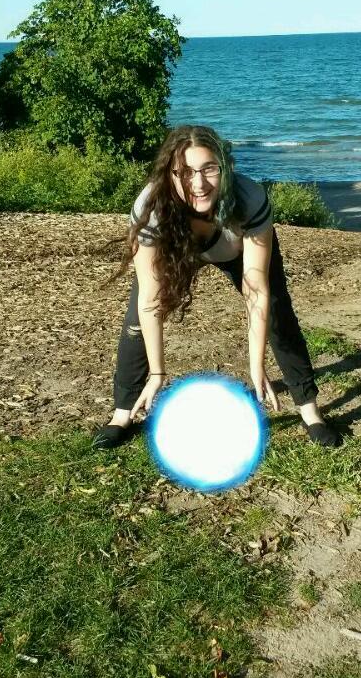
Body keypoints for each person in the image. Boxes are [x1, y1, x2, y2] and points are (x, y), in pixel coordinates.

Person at [92, 125, 340, 448]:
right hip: (179, 250)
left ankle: (309, 409)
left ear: (225, 167)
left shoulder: (249, 199)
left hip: (236, 252)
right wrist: (157, 373)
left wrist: (256, 365)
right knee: (136, 320)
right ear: (170, 174)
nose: (199, 183)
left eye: (209, 169)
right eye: (185, 172)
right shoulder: (151, 208)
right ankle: (122, 413)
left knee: (277, 312)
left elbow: (256, 291)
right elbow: (150, 300)